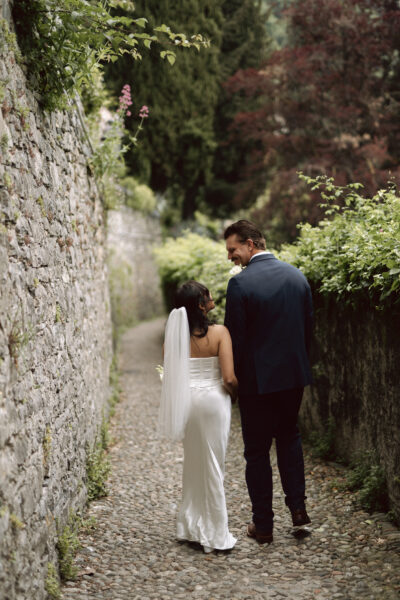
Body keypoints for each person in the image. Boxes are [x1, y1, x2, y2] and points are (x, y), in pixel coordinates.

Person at [224, 220, 313, 544]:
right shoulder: (298, 276)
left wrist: (233, 383)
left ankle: (263, 526)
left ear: (250, 244)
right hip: (293, 378)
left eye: (233, 249)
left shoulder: (240, 284)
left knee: (257, 451)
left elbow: (235, 341)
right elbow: (308, 330)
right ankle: (298, 510)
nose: (230, 257)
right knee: (289, 437)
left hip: (257, 384)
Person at [159, 280, 237, 553]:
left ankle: (190, 525)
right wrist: (234, 395)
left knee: (193, 463)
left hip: (187, 402)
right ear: (200, 304)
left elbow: (170, 374)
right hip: (214, 401)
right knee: (214, 462)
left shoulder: (174, 338)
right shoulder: (220, 333)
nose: (212, 297)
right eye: (207, 295)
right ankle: (216, 532)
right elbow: (228, 378)